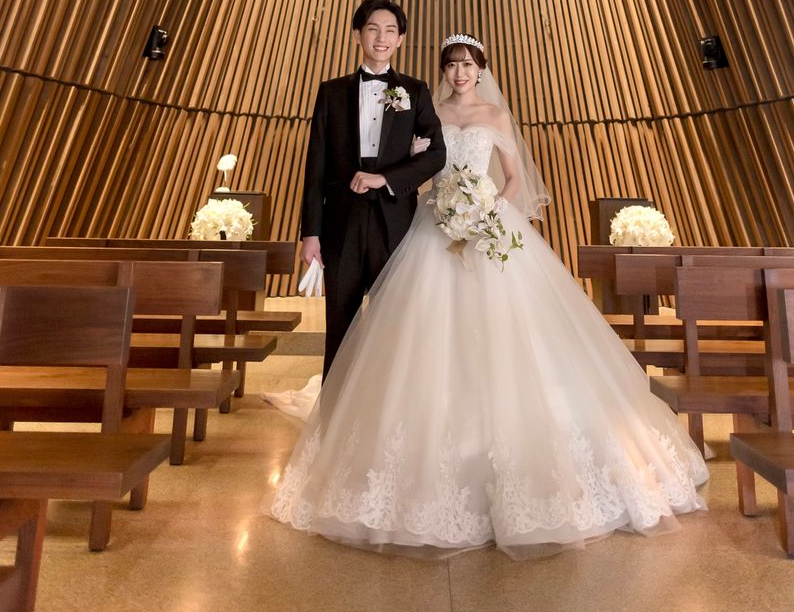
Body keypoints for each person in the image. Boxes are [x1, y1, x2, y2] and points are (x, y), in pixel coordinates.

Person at [266, 33, 708, 559]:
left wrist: (488, 211)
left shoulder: (497, 117)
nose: (459, 73)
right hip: (433, 226)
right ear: (443, 70)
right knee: (420, 337)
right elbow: (417, 169)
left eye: (468, 65)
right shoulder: (425, 112)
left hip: (488, 227)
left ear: (481, 70)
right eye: (452, 65)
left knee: (510, 335)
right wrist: (436, 198)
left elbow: (516, 179)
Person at [299, 0, 446, 379]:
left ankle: (385, 408)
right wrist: (310, 233)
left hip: (395, 224)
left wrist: (386, 179)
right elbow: (315, 167)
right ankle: (334, 409)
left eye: (390, 31)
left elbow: (436, 154)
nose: (381, 38)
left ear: (401, 39)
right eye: (373, 29)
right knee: (340, 324)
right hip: (340, 224)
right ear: (357, 35)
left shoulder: (415, 91)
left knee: (392, 326)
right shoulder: (331, 92)